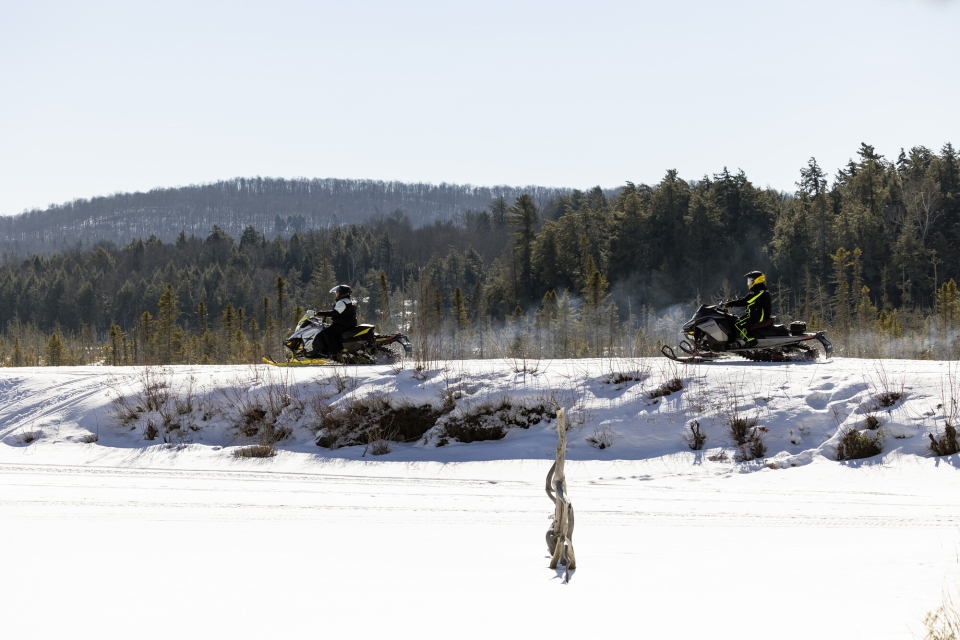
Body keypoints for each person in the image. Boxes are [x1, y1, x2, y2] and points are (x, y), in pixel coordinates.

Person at [725, 271, 772, 348]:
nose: (749, 283)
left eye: (750, 280)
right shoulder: (759, 290)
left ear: (757, 280)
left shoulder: (759, 291)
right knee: (737, 321)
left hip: (758, 316)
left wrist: (731, 304)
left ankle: (750, 340)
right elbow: (747, 299)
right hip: (756, 315)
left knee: (737, 323)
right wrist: (732, 301)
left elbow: (747, 301)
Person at [314, 284, 358, 356]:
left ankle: (335, 353)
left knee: (327, 333)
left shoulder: (342, 302)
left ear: (342, 293)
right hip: (349, 323)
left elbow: (335, 313)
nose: (336, 294)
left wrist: (321, 313)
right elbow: (342, 313)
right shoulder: (348, 301)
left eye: (337, 292)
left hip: (343, 324)